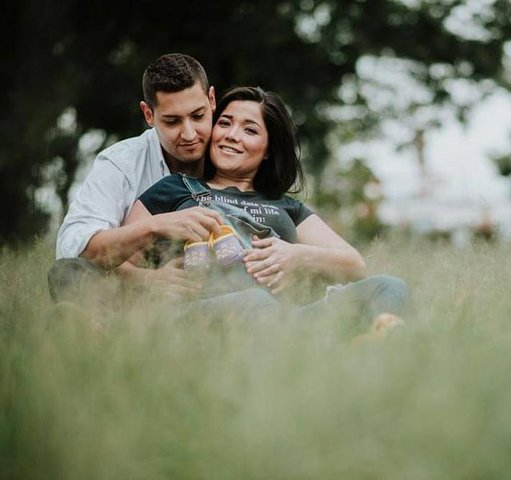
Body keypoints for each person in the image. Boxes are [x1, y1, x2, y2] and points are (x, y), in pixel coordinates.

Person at [125, 86, 408, 330]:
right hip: (207, 313)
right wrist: (152, 280)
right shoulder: (174, 188)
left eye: (249, 129)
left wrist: (296, 256)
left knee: (390, 286)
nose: (232, 135)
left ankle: (373, 345)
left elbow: (354, 264)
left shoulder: (286, 206)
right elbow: (115, 258)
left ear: (269, 148)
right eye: (224, 123)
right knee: (257, 303)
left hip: (289, 318)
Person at [49, 53, 225, 301]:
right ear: (148, 115)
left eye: (198, 116)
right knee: (68, 273)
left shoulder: (235, 150)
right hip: (134, 291)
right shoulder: (120, 163)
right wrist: (156, 229)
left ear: (212, 100)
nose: (189, 134)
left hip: (218, 288)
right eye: (172, 121)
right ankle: (89, 333)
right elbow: (76, 248)